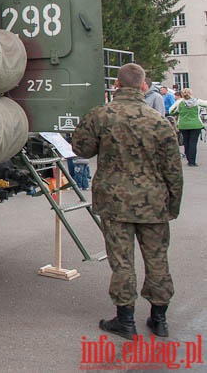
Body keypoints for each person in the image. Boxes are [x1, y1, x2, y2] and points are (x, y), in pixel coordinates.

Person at [72, 63, 183, 339]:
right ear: (143, 86)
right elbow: (174, 171)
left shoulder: (101, 116)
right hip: (154, 203)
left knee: (122, 261)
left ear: (118, 85)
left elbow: (81, 148)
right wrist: (173, 205)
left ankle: (126, 320)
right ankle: (159, 319)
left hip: (114, 201)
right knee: (157, 259)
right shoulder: (159, 121)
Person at [168, 88, 207, 166]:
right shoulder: (197, 101)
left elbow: (171, 111)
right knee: (193, 143)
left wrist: (178, 113)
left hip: (183, 125)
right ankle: (192, 161)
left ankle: (188, 158)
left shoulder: (179, 102)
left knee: (186, 142)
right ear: (191, 93)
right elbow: (205, 104)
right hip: (196, 125)